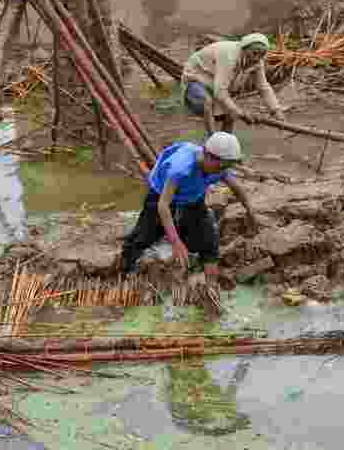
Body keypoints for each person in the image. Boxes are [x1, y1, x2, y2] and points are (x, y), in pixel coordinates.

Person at [120, 132, 259, 278]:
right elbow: (163, 205)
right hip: (161, 194)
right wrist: (176, 242)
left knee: (208, 238)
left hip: (193, 195)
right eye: (220, 167)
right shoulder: (180, 168)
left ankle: (210, 285)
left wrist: (250, 211)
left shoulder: (220, 166)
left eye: (226, 167)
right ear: (207, 155)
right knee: (145, 235)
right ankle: (126, 269)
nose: (222, 171)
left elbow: (237, 188)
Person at [182, 32, 284, 135]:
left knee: (230, 112)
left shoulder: (258, 62)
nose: (256, 58)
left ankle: (226, 140)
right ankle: (212, 139)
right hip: (197, 77)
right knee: (207, 102)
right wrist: (241, 113)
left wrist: (276, 110)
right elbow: (220, 92)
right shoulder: (228, 57)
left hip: (217, 80)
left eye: (261, 55)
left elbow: (263, 87)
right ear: (244, 49)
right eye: (254, 53)